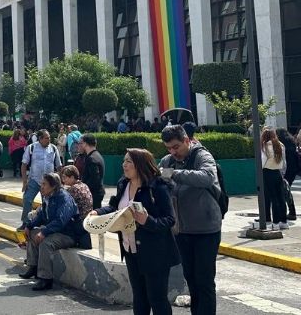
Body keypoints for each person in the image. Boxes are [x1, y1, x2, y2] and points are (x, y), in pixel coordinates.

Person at [92, 148, 179, 315]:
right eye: (124, 161)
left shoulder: (158, 187)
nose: (124, 165)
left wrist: (147, 221)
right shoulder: (123, 184)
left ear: (140, 165)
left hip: (155, 252)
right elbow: (114, 206)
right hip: (131, 250)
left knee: (157, 298)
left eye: (128, 162)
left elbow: (169, 219)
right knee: (139, 298)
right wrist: (97, 212)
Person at [159, 124, 221, 315]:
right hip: (181, 230)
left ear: (187, 140)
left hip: (206, 229)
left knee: (204, 280)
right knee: (191, 279)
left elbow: (207, 177)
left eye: (176, 146)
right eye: (168, 148)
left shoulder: (202, 156)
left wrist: (174, 174)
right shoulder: (167, 161)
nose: (173, 152)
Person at [18, 172, 91, 291]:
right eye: (41, 184)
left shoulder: (63, 198)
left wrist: (44, 232)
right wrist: (29, 225)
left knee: (46, 242)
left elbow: (60, 220)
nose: (41, 187)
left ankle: (46, 279)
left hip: (68, 234)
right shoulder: (48, 197)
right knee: (32, 233)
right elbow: (42, 215)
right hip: (56, 231)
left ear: (53, 186)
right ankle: (33, 267)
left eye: (44, 184)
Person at [20, 130, 62, 228]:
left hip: (49, 183)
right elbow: (24, 165)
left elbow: (59, 166)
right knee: (27, 199)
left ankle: (45, 222)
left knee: (47, 203)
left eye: (49, 138)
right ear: (40, 139)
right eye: (46, 138)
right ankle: (26, 222)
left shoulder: (53, 148)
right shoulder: (32, 148)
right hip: (34, 180)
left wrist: (59, 181)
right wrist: (25, 182)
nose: (49, 140)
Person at [259, 128, 288, 230]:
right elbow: (284, 161)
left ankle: (274, 222)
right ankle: (283, 221)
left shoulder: (265, 146)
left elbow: (262, 161)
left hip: (267, 172)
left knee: (272, 197)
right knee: (280, 198)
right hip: (278, 173)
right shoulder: (280, 145)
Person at [74, 134, 105, 209]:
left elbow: (95, 179)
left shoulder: (91, 158)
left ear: (85, 143)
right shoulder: (96, 155)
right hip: (96, 193)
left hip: (93, 194)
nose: (80, 145)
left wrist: (82, 187)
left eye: (81, 143)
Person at [277, 128, 300, 222]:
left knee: (284, 191)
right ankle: (291, 211)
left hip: (286, 170)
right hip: (293, 170)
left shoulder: (282, 145)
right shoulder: (291, 142)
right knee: (286, 190)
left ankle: (290, 212)